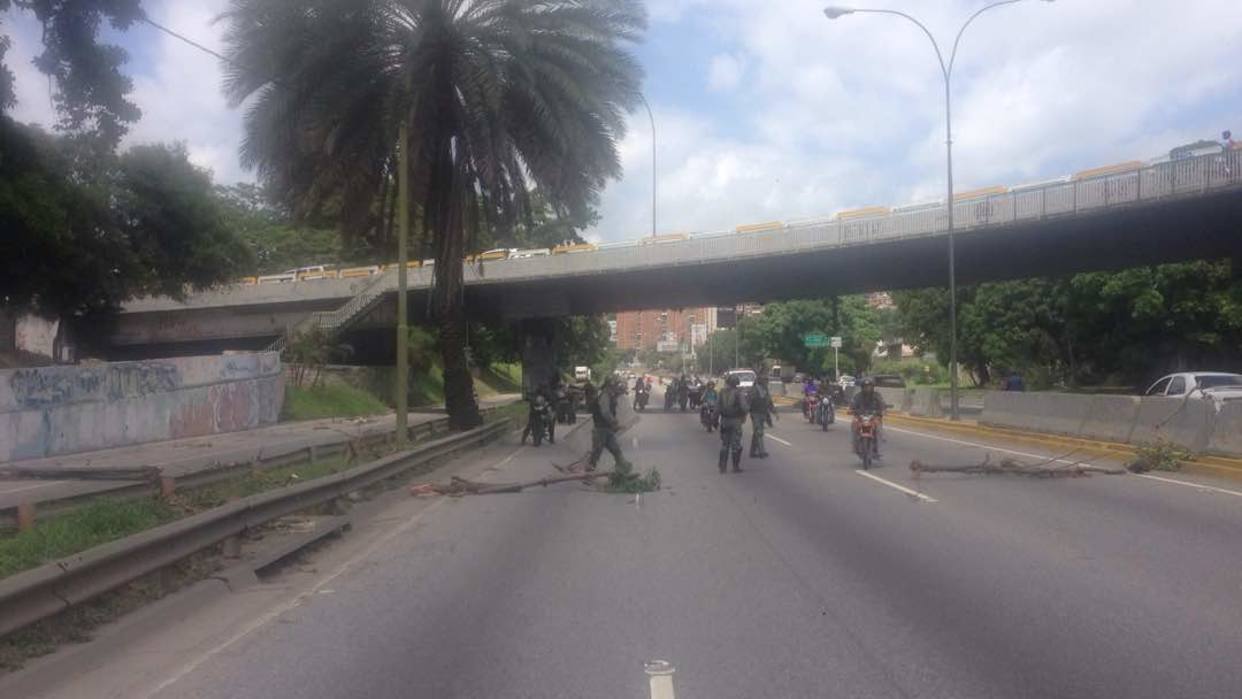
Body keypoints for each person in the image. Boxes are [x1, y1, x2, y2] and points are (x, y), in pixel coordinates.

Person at [588, 376, 630, 472]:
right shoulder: (605, 396)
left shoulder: (611, 395)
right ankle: (588, 472)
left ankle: (623, 470)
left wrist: (613, 425)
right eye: (616, 386)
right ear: (610, 386)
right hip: (600, 429)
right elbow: (605, 412)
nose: (617, 389)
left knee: (616, 450)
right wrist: (614, 422)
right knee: (596, 453)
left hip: (607, 429)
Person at [717, 374, 749, 473]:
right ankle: (735, 467)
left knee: (724, 444)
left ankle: (722, 467)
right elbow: (744, 408)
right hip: (735, 421)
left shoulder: (721, 392)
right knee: (736, 445)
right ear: (736, 383)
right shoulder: (738, 393)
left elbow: (717, 407)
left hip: (724, 421)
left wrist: (715, 419)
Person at [849, 377, 885, 457]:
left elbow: (882, 405)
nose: (867, 388)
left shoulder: (877, 396)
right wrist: (851, 410)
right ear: (862, 387)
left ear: (872, 387)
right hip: (860, 417)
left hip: (873, 417)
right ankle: (855, 447)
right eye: (865, 386)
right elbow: (852, 405)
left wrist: (882, 411)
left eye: (869, 386)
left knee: (878, 428)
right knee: (853, 424)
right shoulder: (857, 396)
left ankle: (879, 450)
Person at [749, 373, 777, 458]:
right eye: (765, 380)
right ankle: (762, 451)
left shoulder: (765, 390)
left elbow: (769, 402)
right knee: (759, 432)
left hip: (763, 413)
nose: (766, 382)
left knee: (756, 433)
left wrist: (774, 412)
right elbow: (749, 401)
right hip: (755, 413)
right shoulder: (754, 390)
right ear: (760, 381)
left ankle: (752, 452)